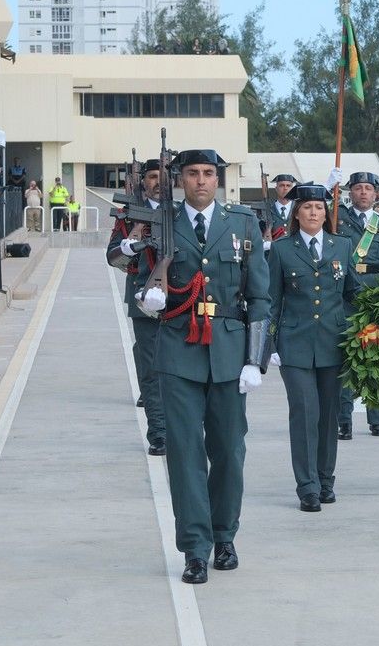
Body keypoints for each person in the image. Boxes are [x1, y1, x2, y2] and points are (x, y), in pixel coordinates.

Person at [135, 149, 270, 584]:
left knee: (229, 450)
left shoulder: (243, 222)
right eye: (192, 173)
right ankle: (195, 548)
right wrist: (147, 295)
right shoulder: (162, 222)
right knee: (185, 453)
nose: (200, 181)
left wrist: (256, 358)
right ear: (180, 179)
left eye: (208, 173)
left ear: (219, 179)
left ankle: (224, 534)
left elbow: (261, 298)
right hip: (177, 348)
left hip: (229, 351)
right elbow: (130, 266)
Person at [267, 183, 360, 512]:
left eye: (319, 208)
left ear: (327, 213)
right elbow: (270, 302)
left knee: (328, 415)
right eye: (306, 207)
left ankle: (325, 479)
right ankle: (307, 486)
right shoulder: (280, 249)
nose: (313, 213)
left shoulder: (343, 246)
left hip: (333, 344)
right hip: (294, 346)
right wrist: (267, 345)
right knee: (305, 414)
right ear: (297, 212)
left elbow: (354, 293)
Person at [335, 171, 379, 439]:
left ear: (376, 194)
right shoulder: (337, 220)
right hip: (346, 297)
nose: (363, 193)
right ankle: (344, 420)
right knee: (346, 360)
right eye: (358, 188)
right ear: (350, 192)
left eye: (368, 188)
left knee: (376, 359)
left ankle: (376, 419)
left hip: (377, 297)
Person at [107, 158, 166, 455]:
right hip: (143, 301)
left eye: (163, 176)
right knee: (151, 369)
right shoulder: (129, 216)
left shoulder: (180, 214)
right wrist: (130, 242)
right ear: (144, 181)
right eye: (153, 176)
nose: (158, 182)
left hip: (181, 300)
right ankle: (158, 431)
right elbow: (113, 258)